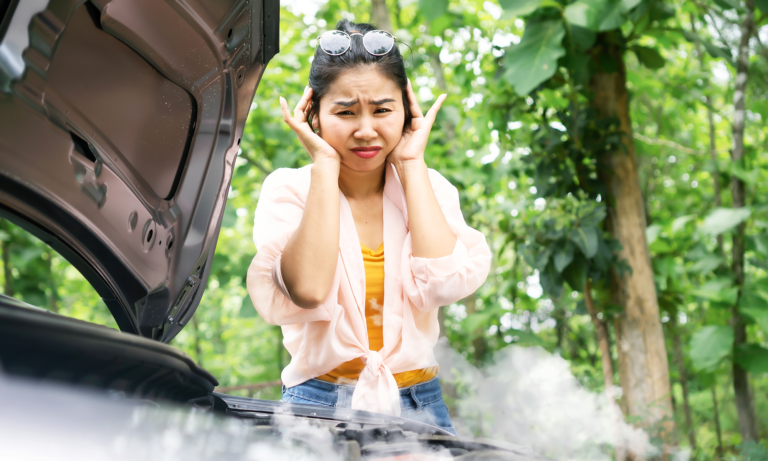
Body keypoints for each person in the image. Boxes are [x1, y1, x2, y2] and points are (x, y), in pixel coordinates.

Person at [246, 19, 490, 435]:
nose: (365, 130)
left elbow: (442, 285)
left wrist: (411, 164)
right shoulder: (288, 189)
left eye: (382, 110)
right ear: (314, 114)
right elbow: (307, 289)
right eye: (344, 112)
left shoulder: (430, 189)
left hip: (420, 402)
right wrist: (324, 165)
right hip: (316, 405)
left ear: (406, 109)